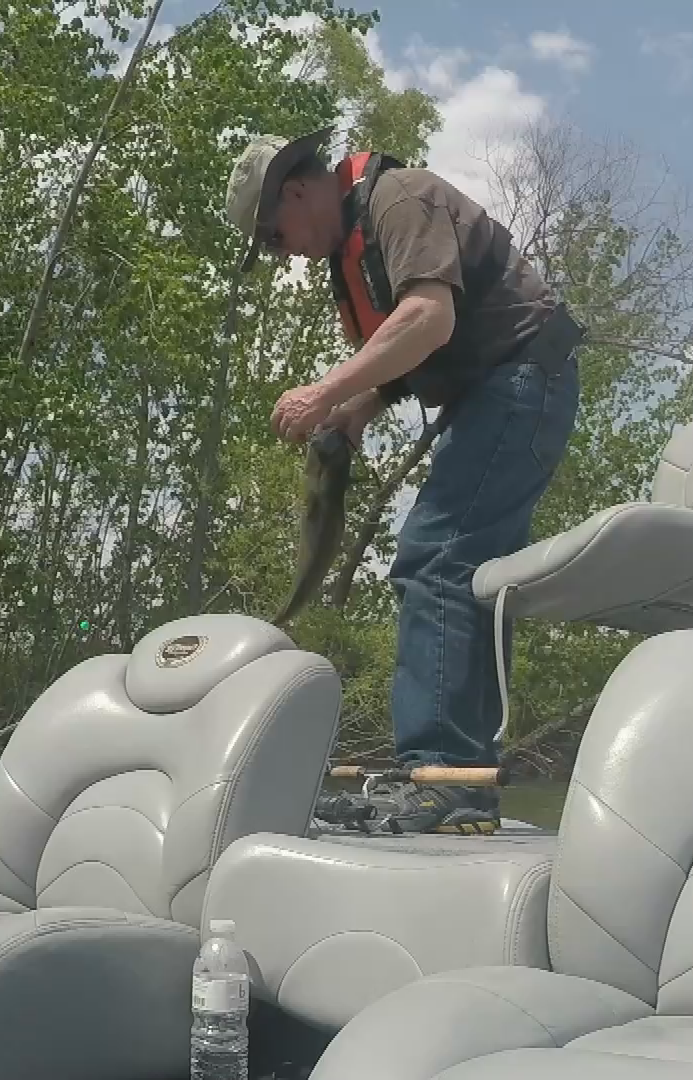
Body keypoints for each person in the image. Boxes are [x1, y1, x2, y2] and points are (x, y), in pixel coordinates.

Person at [224, 129, 582, 834]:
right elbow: (405, 357)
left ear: (297, 190)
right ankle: (460, 785)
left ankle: (440, 776)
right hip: (491, 394)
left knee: (438, 556)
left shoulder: (400, 197)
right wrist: (358, 406)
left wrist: (325, 389)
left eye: (272, 235)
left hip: (524, 381)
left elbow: (428, 318)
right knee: (461, 572)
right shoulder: (350, 250)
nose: (280, 252)